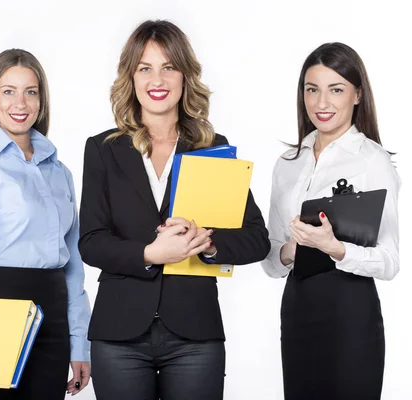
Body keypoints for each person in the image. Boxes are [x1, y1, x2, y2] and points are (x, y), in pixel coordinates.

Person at [78, 20, 271, 400]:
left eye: (169, 67)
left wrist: (209, 245)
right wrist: (150, 254)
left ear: (185, 75)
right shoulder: (102, 148)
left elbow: (256, 239)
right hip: (119, 336)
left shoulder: (213, 147)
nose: (158, 79)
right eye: (145, 68)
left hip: (195, 337)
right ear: (131, 78)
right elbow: (91, 242)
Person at [0, 49, 91, 399]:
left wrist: (80, 342)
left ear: (42, 100)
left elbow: (73, 267)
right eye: (8, 91)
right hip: (1, 309)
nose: (20, 102)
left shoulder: (60, 173)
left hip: (54, 314)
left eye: (31, 91)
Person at [262, 42, 400, 399]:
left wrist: (335, 249)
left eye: (335, 90)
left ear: (357, 95)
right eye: (312, 89)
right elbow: (271, 259)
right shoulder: (288, 163)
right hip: (297, 309)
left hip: (350, 312)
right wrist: (290, 251)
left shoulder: (372, 160)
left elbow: (389, 261)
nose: (321, 103)